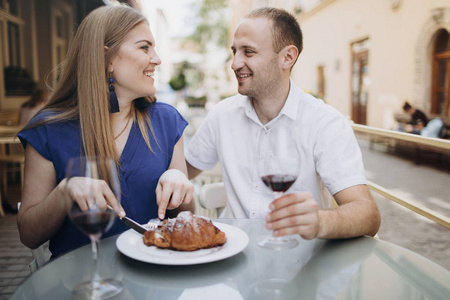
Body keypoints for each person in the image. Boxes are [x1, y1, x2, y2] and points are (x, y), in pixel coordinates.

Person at [186, 7, 380, 240]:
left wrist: (320, 221)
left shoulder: (325, 122)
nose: (235, 63)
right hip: (233, 257)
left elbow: (368, 215)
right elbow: (183, 170)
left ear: (287, 57)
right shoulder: (221, 115)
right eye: (234, 51)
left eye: (248, 52)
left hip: (300, 264)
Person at [17, 6, 194, 258]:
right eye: (144, 47)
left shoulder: (168, 121)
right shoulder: (48, 130)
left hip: (156, 280)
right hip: (82, 288)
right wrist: (65, 191)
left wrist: (180, 180)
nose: (157, 58)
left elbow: (186, 218)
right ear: (107, 59)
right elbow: (28, 236)